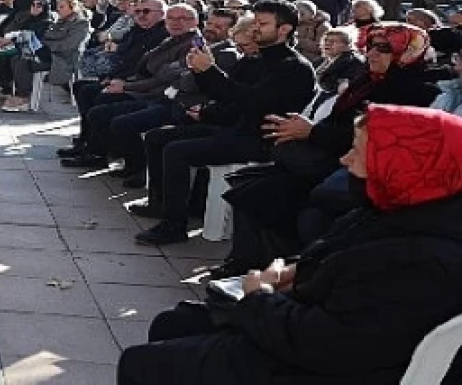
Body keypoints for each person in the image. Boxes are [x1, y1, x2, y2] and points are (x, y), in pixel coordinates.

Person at [118, 104, 462, 385]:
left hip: (319, 366)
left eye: (357, 152)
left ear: (400, 168)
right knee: (175, 322)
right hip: (309, 332)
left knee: (144, 364)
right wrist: (295, 270)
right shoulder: (404, 210)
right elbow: (342, 263)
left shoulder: (425, 260)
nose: (345, 160)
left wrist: (259, 296)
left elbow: (327, 344)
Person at [215, 23, 439, 277]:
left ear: (407, 52)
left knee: (302, 209)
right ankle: (247, 268)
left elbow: (376, 141)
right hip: (330, 160)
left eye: (385, 49)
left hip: (365, 172)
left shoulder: (416, 91)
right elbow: (336, 124)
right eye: (370, 46)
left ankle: (292, 276)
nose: (372, 54)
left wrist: (312, 132)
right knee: (250, 191)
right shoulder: (366, 80)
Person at [131, 0, 317, 246]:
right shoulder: (256, 59)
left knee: (177, 151)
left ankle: (174, 226)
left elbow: (250, 100)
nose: (255, 29)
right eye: (255, 23)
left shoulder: (292, 67)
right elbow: (225, 93)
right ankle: (161, 203)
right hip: (235, 127)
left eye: (262, 24)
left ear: (284, 29)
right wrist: (203, 87)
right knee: (158, 137)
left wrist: (209, 71)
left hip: (261, 139)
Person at [61, 3, 203, 170]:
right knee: (85, 89)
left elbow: (162, 78)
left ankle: (109, 155)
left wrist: (127, 86)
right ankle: (91, 144)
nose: (175, 22)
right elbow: (135, 63)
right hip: (142, 85)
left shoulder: (191, 43)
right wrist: (115, 79)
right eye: (171, 18)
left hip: (160, 95)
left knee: (102, 104)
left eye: (182, 19)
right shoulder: (167, 39)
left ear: (195, 21)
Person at [11, 0, 92, 109]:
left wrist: (48, 45)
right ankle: (20, 95)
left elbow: (68, 45)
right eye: (58, 7)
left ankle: (23, 98)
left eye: (62, 7)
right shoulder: (59, 22)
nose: (58, 9)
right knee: (17, 58)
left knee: (24, 63)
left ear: (72, 7)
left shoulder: (81, 23)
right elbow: (46, 37)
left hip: (63, 59)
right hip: (48, 53)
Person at [293, 0, 330, 64]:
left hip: (314, 61)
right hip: (295, 58)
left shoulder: (322, 26)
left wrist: (299, 41)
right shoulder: (294, 24)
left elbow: (322, 47)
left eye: (302, 13)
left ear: (311, 12)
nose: (298, 16)